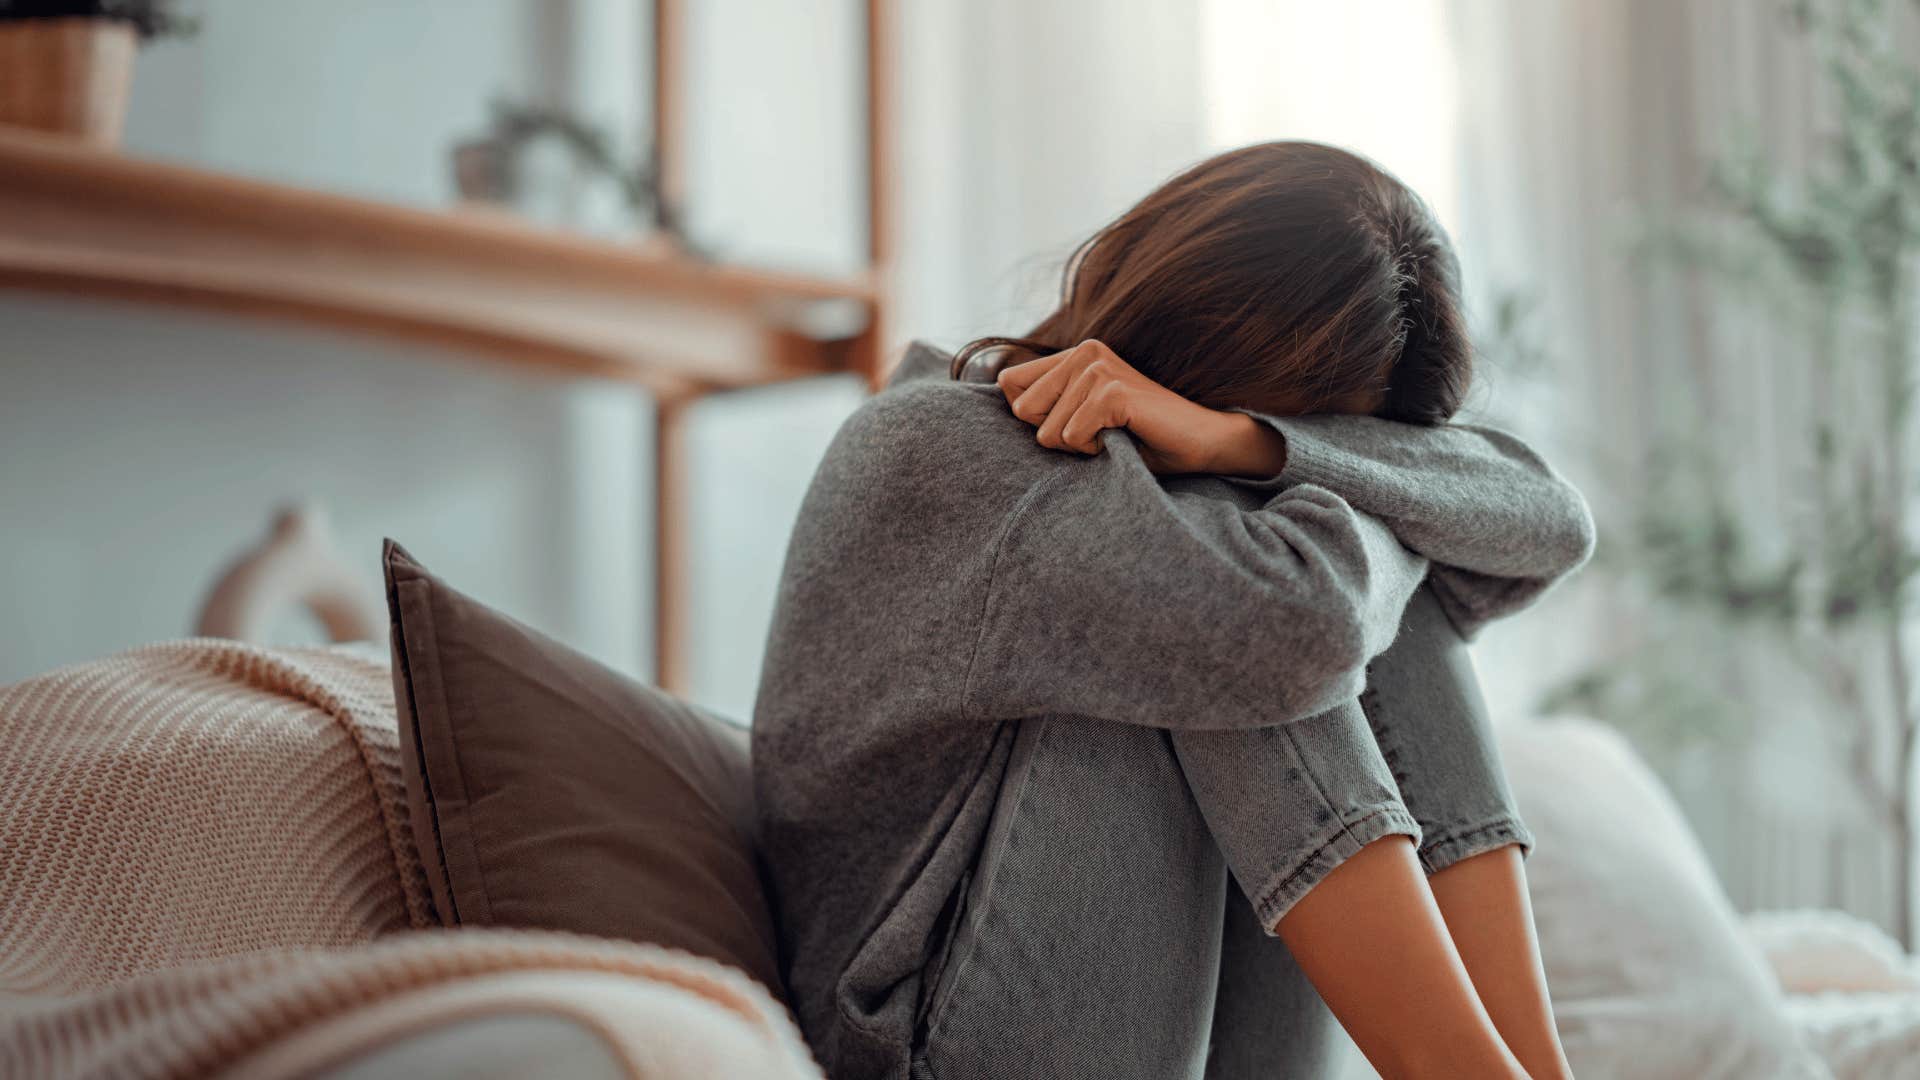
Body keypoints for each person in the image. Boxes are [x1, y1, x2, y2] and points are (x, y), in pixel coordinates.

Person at [753, 141, 1594, 1080]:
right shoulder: (944, 444)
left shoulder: (1202, 473)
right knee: (1270, 594)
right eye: (1261, 421)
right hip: (927, 1045)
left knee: (1357, 574)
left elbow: (1550, 520)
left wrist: (1257, 445)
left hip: (1176, 1031)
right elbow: (1290, 630)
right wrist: (1301, 480)